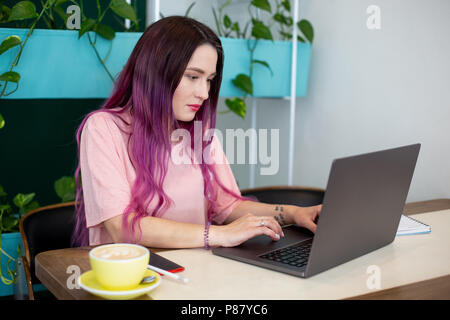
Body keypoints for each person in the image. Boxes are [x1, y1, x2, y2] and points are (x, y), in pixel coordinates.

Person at [71, 16, 322, 249]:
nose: (204, 92)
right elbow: (121, 227)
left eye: (209, 80)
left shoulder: (200, 135)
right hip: (132, 283)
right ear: (157, 73)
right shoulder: (103, 128)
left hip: (195, 273)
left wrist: (294, 214)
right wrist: (219, 234)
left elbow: (228, 206)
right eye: (193, 77)